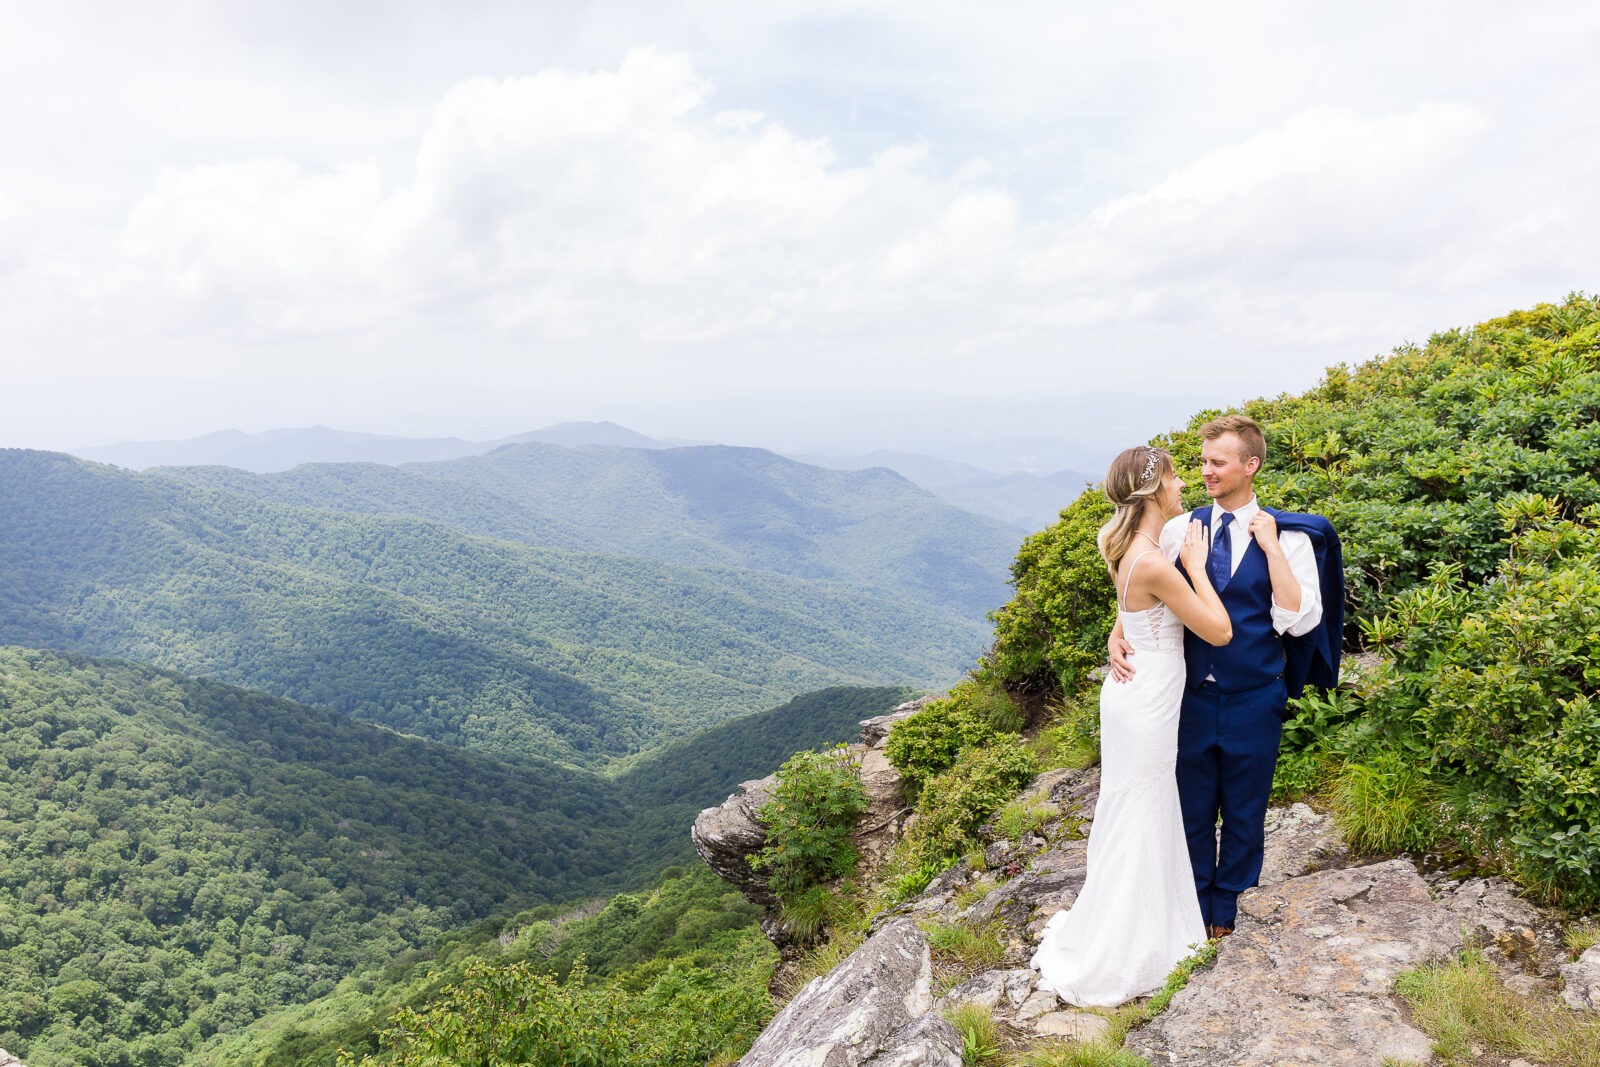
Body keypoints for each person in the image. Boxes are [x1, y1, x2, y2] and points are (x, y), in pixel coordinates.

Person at [1109, 414, 1337, 940]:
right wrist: (1118, 631)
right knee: (1188, 808)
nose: (1206, 472)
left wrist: (1273, 548)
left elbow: (1298, 618)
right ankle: (1190, 911)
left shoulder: (1290, 538)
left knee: (1244, 810)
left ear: (1250, 466)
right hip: (1186, 698)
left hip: (1255, 696)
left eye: (1218, 462)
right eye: (1203, 462)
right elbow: (1144, 587)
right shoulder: (1177, 529)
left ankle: (1230, 915)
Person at [1030, 444, 1231, 1007]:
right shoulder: (1154, 562)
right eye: (1173, 478)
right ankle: (1130, 945)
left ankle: (1139, 924)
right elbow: (1217, 631)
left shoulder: (1121, 545)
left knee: (1134, 803)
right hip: (1146, 700)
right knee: (1142, 805)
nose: (1183, 485)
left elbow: (1130, 615)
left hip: (1134, 690)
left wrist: (1117, 633)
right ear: (1152, 490)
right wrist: (1192, 569)